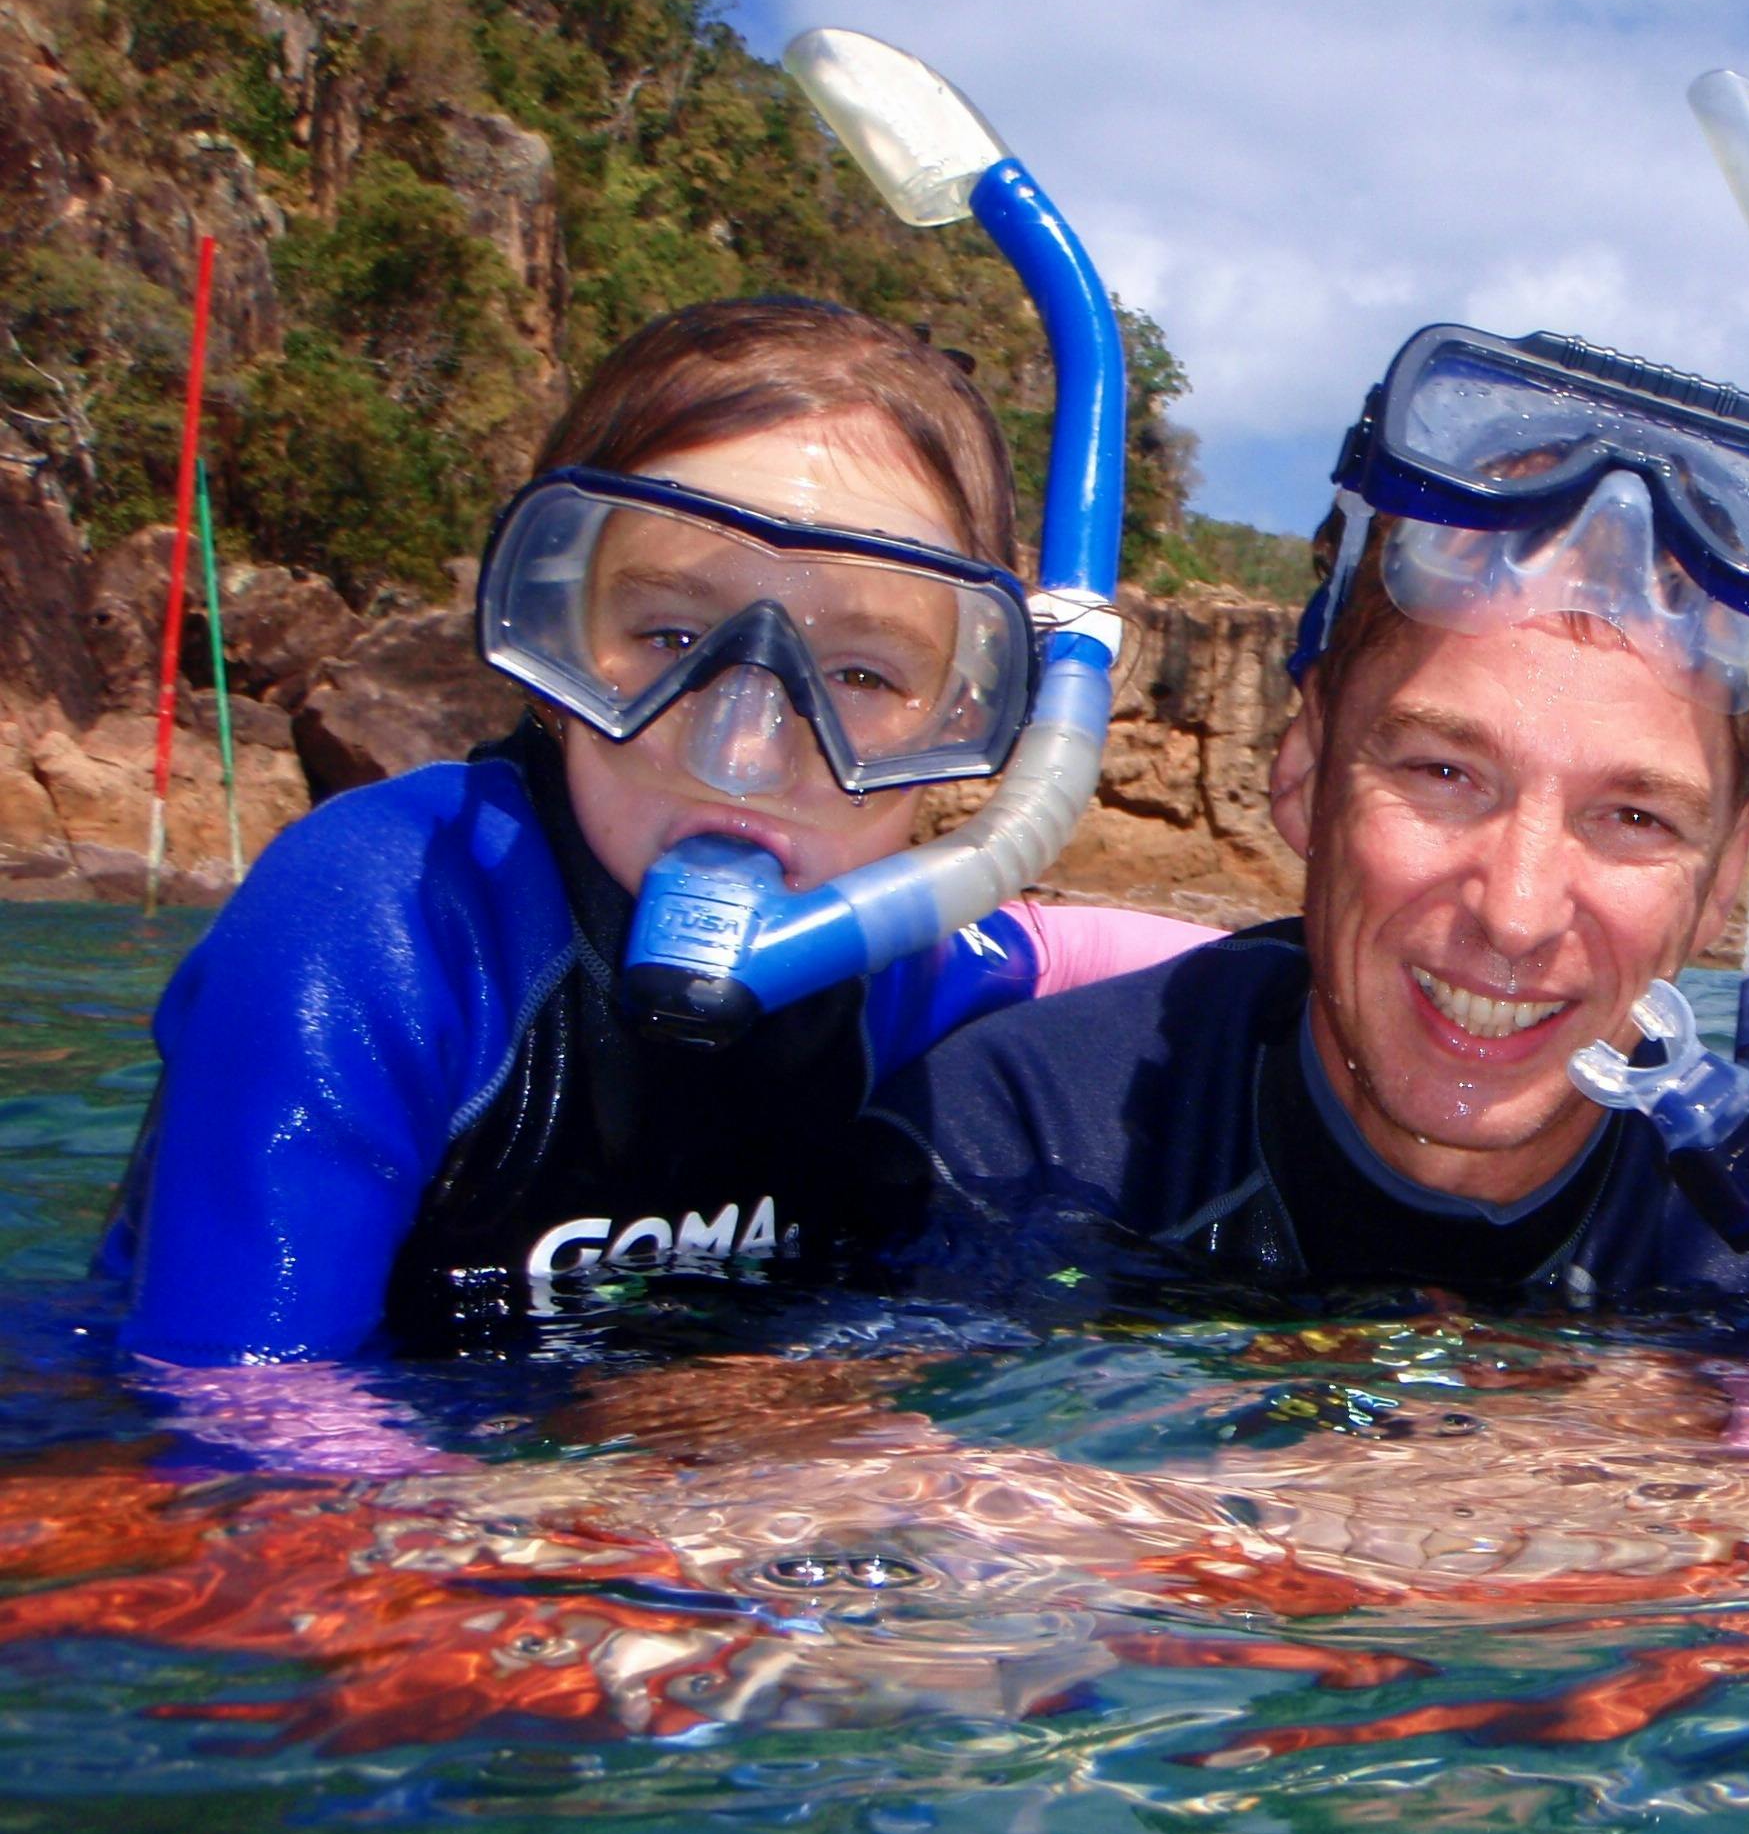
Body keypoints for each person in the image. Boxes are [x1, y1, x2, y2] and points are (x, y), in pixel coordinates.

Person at [105, 297, 1213, 1369]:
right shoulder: (388, 917)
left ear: (965, 714)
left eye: (864, 673)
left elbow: (1072, 951)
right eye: (671, 631)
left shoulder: (900, 962)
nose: (745, 748)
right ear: (555, 643)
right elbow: (240, 1427)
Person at [862, 326, 1749, 1308]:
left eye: (1635, 818)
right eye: (1445, 773)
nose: (1515, 914)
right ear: (1306, 769)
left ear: (1726, 883)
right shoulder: (1003, 1146)